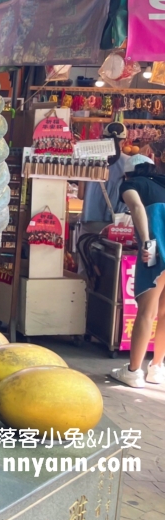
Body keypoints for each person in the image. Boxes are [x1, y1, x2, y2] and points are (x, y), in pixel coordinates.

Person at [111, 154, 165, 388]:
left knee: (147, 311)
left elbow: (135, 206)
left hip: (157, 248)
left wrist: (146, 241)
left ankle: (133, 372)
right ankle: (156, 368)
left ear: (128, 173)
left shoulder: (131, 184)